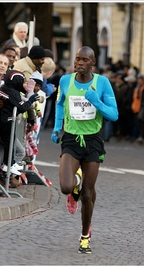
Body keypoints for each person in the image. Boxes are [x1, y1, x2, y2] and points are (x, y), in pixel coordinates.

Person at [51, 46, 118, 254]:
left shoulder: (102, 83)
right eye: (77, 59)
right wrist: (57, 126)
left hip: (93, 141)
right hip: (71, 138)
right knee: (65, 187)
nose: (79, 63)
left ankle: (85, 236)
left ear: (93, 63)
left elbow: (114, 115)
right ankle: (76, 183)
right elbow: (60, 104)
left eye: (84, 60)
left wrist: (96, 101)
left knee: (88, 195)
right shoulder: (65, 81)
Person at [0, 70, 39, 178]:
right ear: (16, 81)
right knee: (9, 144)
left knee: (10, 144)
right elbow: (22, 107)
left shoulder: (5, 88)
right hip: (6, 122)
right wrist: (31, 99)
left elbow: (16, 107)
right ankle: (7, 165)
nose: (22, 83)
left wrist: (27, 92)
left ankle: (10, 163)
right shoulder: (12, 92)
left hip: (4, 120)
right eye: (21, 81)